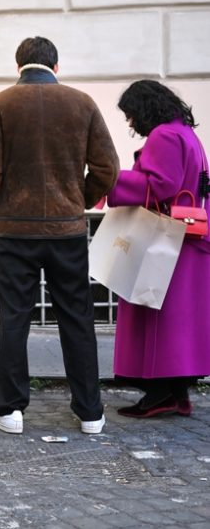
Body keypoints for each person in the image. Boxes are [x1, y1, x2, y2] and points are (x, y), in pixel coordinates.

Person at [0, 36, 119, 435]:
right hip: (67, 229)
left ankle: (10, 410)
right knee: (77, 317)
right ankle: (90, 413)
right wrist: (78, 198)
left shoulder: (0, 105)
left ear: (18, 64)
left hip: (16, 232)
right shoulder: (82, 103)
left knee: (15, 318)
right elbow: (108, 169)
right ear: (56, 66)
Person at [106, 80, 210, 418]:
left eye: (132, 115)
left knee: (154, 315)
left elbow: (159, 185)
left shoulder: (164, 135)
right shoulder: (185, 133)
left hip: (166, 238)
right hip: (188, 236)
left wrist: (111, 178)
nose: (131, 123)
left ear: (145, 109)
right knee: (177, 321)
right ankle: (178, 395)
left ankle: (159, 394)